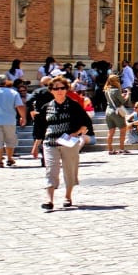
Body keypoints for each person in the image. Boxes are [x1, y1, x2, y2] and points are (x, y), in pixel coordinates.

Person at [39, 76, 92, 211]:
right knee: (51, 169)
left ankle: (67, 196)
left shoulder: (73, 105)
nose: (59, 91)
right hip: (50, 143)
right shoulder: (46, 107)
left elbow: (86, 123)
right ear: (51, 90)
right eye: (56, 88)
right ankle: (49, 200)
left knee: (70, 169)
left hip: (68, 143)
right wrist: (36, 145)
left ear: (66, 89)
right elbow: (40, 128)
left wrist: (76, 133)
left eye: (62, 88)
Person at [25, 76, 53, 163]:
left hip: (40, 116)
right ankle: (50, 156)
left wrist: (33, 111)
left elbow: (28, 101)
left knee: (38, 136)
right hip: (52, 115)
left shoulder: (38, 91)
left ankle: (44, 156)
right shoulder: (55, 91)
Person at [103, 75, 130, 155]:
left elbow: (113, 99)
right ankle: (122, 148)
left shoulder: (106, 90)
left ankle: (110, 149)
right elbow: (122, 101)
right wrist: (127, 95)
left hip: (108, 111)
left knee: (111, 131)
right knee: (123, 130)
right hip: (116, 111)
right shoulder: (116, 90)